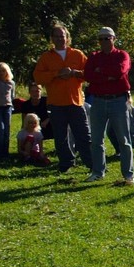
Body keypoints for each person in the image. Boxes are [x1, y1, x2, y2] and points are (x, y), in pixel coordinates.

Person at [33, 24, 92, 175]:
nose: (60, 39)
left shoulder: (77, 54)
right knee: (61, 137)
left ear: (67, 37)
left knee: (84, 135)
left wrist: (74, 73)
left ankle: (91, 163)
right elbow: (38, 77)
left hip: (76, 102)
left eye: (62, 36)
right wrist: (57, 73)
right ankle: (66, 163)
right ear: (52, 38)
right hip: (56, 103)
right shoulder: (46, 57)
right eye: (57, 36)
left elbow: (90, 74)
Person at [83, 26, 134, 186]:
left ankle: (128, 175)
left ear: (114, 39)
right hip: (97, 101)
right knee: (97, 139)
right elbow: (88, 75)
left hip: (118, 100)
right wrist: (107, 75)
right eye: (101, 38)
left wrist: (100, 71)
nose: (104, 41)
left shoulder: (122, 55)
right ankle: (98, 172)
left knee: (123, 140)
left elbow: (120, 71)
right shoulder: (93, 56)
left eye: (107, 38)